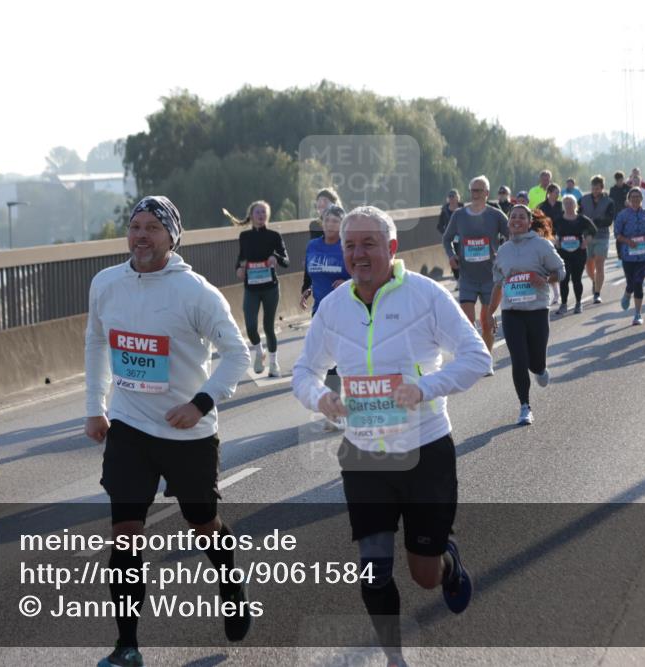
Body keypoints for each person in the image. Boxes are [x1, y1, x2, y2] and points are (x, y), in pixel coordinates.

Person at [292, 205, 488, 667]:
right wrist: (320, 398)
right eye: (349, 245)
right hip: (364, 456)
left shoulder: (426, 296)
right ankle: (395, 659)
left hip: (425, 451)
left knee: (424, 575)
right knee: (375, 571)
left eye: (368, 244)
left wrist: (424, 389)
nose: (357, 254)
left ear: (392, 248)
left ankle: (446, 561)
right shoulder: (333, 307)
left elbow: (477, 357)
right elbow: (304, 371)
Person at [86, 196, 252, 667]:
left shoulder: (196, 292)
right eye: (134, 226)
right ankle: (128, 645)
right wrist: (94, 408)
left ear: (172, 237)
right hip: (130, 426)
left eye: (152, 228)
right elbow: (96, 341)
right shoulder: (106, 283)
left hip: (187, 433)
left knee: (202, 524)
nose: (141, 235)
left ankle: (229, 582)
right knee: (124, 533)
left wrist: (200, 404)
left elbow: (237, 354)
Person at [489, 207, 565, 425]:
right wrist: (490, 312)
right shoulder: (503, 251)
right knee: (519, 360)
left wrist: (545, 279)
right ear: (509, 222)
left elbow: (561, 271)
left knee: (535, 361)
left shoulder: (541, 245)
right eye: (513, 217)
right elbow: (497, 283)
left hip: (537, 311)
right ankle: (525, 406)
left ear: (529, 222)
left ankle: (540, 368)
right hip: (511, 312)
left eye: (522, 217)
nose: (517, 220)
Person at [443, 176, 510, 375]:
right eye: (473, 190)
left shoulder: (496, 215)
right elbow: (447, 239)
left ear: (487, 193)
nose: (475, 194)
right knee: (467, 320)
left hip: (490, 276)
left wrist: (505, 254)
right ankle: (472, 357)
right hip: (468, 277)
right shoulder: (459, 215)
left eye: (479, 190)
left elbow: (512, 234)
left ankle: (486, 359)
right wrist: (451, 255)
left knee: (487, 320)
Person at [300, 204, 350, 430]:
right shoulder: (313, 246)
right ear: (322, 222)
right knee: (325, 359)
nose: (331, 225)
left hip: (344, 309)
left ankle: (339, 410)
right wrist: (306, 290)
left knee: (338, 361)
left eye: (336, 221)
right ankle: (335, 409)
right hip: (320, 310)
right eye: (328, 220)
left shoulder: (346, 247)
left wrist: (347, 282)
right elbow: (309, 272)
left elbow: (361, 273)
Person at [231, 200, 289, 377]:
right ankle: (259, 352)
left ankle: (273, 364)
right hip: (252, 288)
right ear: (251, 215)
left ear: (268, 215)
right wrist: (239, 269)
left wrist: (275, 257)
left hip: (270, 287)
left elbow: (286, 261)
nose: (261, 215)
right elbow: (241, 258)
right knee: (250, 326)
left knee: (269, 326)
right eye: (258, 212)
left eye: (264, 212)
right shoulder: (245, 237)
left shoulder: (274, 236)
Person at [613, 189, 645, 326]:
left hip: (644, 255)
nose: (635, 199)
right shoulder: (622, 215)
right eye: (632, 197)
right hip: (628, 255)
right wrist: (628, 241)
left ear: (641, 199)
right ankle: (628, 293)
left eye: (638, 197)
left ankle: (637, 314)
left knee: (638, 282)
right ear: (628, 199)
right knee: (631, 283)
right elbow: (617, 234)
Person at [553, 195, 596, 315]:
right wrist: (555, 241)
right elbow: (549, 232)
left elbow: (593, 230)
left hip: (579, 253)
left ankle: (578, 303)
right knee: (564, 279)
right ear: (563, 205)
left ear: (575, 205)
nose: (568, 205)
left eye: (570, 203)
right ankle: (564, 304)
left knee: (577, 279)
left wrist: (586, 241)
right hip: (563, 253)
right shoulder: (558, 219)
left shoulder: (581, 219)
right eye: (566, 203)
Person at [579, 175, 616, 304]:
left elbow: (609, 220)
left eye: (597, 188)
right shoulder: (583, 200)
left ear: (602, 188)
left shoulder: (609, 202)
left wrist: (594, 222)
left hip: (602, 236)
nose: (595, 191)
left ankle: (597, 293)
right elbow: (579, 216)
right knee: (588, 265)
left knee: (599, 265)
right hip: (586, 237)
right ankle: (594, 281)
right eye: (593, 188)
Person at [437, 190, 463, 281]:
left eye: (453, 196)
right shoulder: (444, 210)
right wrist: (446, 233)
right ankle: (457, 279)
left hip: (462, 238)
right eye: (450, 197)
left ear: (457, 198)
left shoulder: (463, 208)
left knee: (462, 257)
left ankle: (463, 277)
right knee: (452, 258)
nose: (452, 199)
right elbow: (439, 226)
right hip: (450, 239)